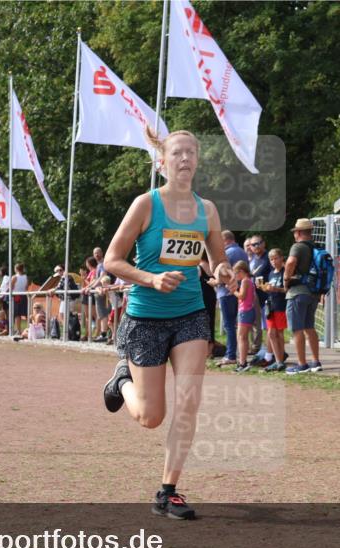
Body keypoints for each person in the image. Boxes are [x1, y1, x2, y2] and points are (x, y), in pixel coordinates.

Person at [102, 128, 232, 520]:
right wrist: (151, 278)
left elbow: (215, 259)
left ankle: (168, 491)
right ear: (162, 161)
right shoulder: (145, 205)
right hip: (146, 318)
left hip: (191, 314)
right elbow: (112, 260)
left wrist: (222, 270)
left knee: (189, 403)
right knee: (150, 416)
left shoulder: (206, 209)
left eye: (191, 152)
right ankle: (120, 381)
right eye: (177, 152)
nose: (185, 158)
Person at [283, 218, 323, 374]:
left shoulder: (298, 246)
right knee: (309, 327)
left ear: (298, 232)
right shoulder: (316, 247)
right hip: (313, 293)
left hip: (297, 292)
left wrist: (286, 279)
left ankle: (301, 364)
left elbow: (291, 261)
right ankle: (315, 361)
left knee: (297, 329)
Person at [215, 230, 249, 366]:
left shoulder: (226, 254)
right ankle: (236, 354)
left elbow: (222, 275)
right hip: (239, 292)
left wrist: (215, 281)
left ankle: (231, 355)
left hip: (227, 292)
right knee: (236, 325)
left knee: (229, 325)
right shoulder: (242, 251)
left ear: (225, 240)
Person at [260, 248, 288, 372]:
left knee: (280, 333)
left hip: (281, 306)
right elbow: (270, 289)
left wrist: (276, 289)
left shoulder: (285, 272)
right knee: (271, 333)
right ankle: (277, 361)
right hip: (271, 306)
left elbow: (287, 289)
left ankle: (281, 360)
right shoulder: (271, 273)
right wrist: (264, 288)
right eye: (271, 259)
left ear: (282, 258)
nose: (273, 261)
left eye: (276, 258)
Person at [247, 235, 272, 365]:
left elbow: (277, 273)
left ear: (264, 243)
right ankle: (266, 351)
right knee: (261, 326)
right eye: (253, 244)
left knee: (270, 328)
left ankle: (271, 354)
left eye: (258, 243)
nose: (256, 246)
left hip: (269, 297)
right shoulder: (252, 259)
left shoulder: (269, 257)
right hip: (256, 298)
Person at [232, 260, 257, 373]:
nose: (235, 276)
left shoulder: (245, 281)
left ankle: (243, 363)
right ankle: (242, 361)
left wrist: (234, 291)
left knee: (241, 337)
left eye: (236, 273)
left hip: (245, 311)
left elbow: (241, 296)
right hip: (247, 311)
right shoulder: (249, 281)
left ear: (241, 271)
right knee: (243, 337)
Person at [9, 263, 29, 336]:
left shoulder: (14, 277)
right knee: (26, 313)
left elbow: (10, 287)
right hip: (23, 296)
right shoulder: (26, 277)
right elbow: (26, 287)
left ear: (16, 269)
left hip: (16, 296)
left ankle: (19, 330)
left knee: (17, 314)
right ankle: (29, 329)